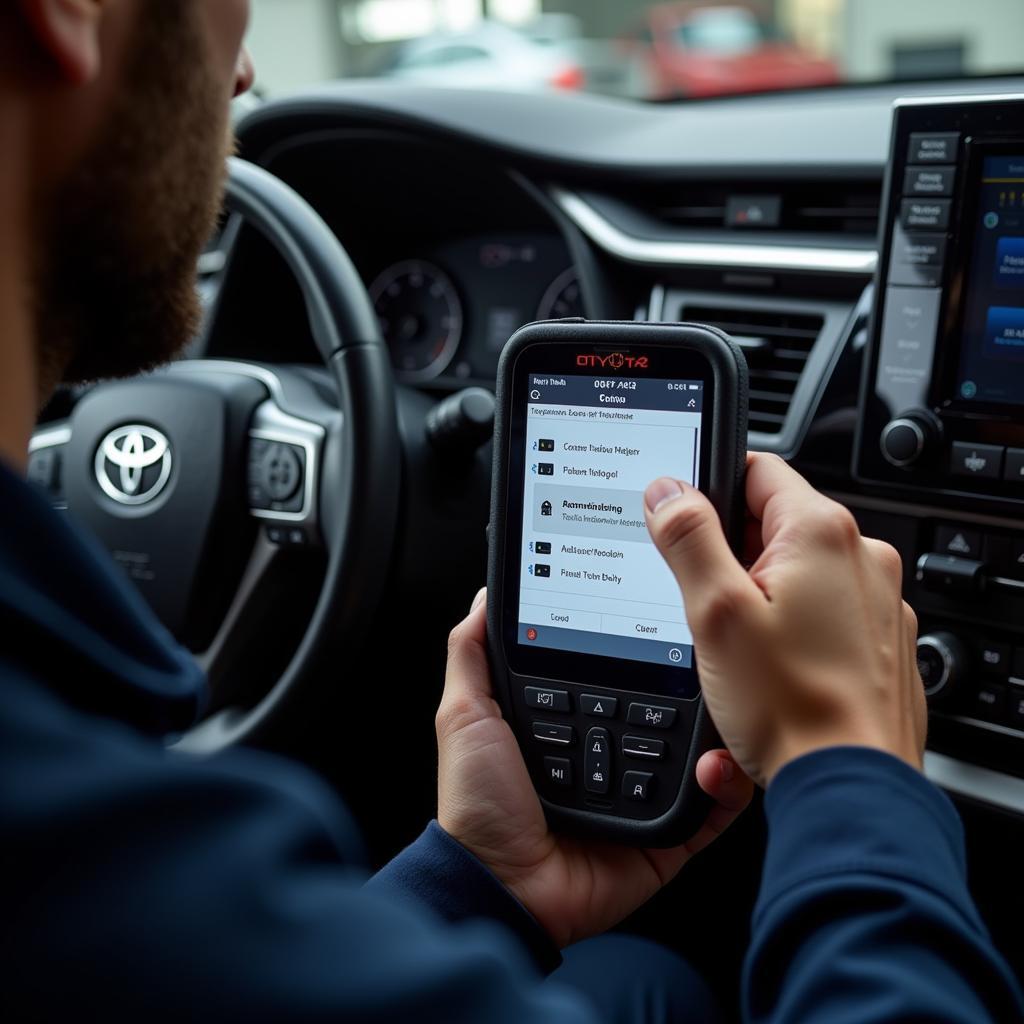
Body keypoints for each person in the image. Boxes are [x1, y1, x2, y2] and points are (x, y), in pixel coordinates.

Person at [0, 2, 1021, 1021]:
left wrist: (479, 883)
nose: (243, 76)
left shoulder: (81, 831)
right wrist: (848, 760)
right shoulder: (85, 843)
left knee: (643, 981)